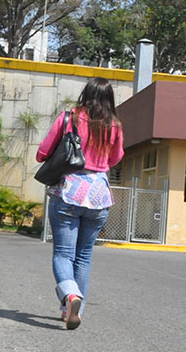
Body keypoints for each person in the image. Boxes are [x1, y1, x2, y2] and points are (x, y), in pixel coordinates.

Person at [35, 77, 124, 330]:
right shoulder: (114, 125)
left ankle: (70, 296)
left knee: (64, 253)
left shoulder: (70, 118)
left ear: (86, 93)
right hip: (98, 194)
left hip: (70, 190)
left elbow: (42, 152)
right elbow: (116, 158)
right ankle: (74, 312)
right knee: (84, 256)